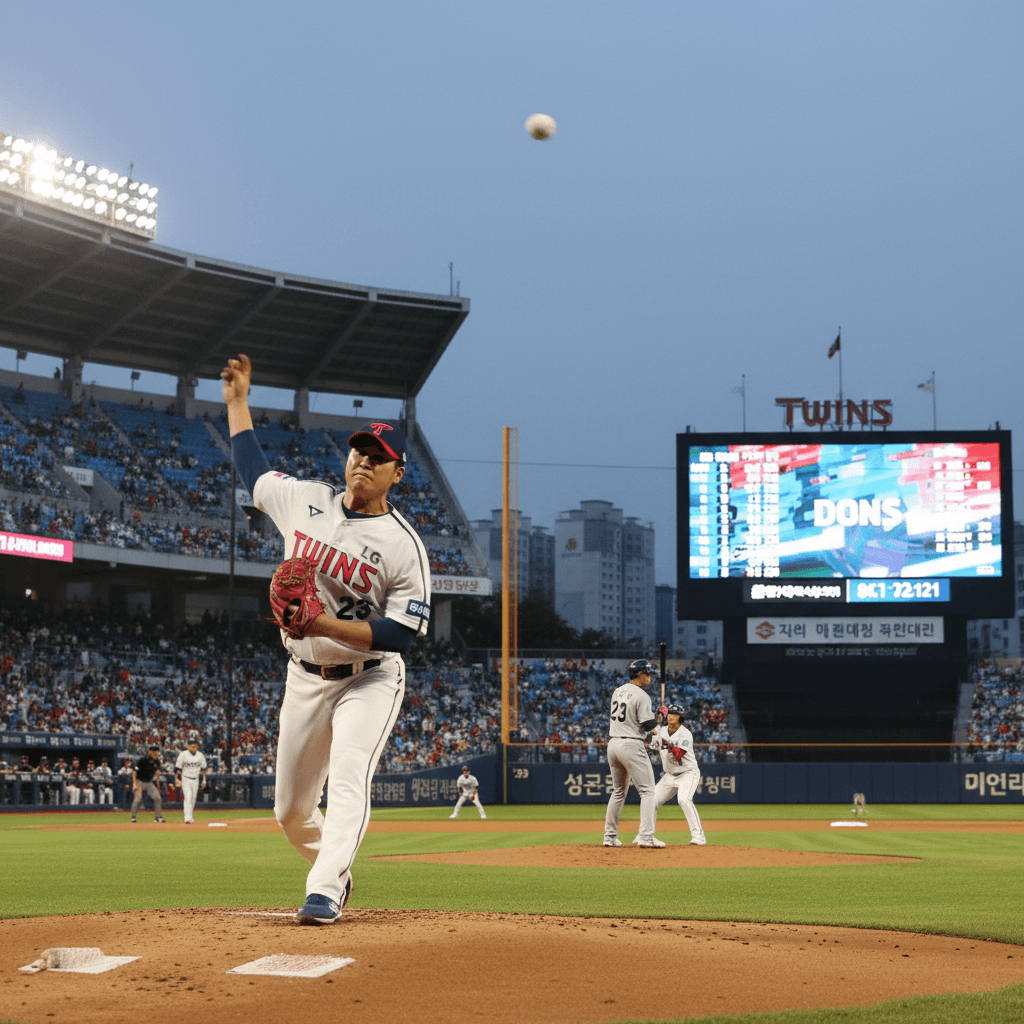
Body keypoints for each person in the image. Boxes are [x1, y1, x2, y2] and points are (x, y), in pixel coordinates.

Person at [221, 353, 431, 925]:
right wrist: (238, 403)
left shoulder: (403, 545)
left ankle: (325, 888)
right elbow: (254, 472)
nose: (364, 461)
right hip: (304, 675)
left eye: (379, 457)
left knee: (349, 772)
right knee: (290, 812)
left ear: (398, 473)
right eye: (359, 451)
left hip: (370, 677)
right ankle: (334, 866)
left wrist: (324, 625)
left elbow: (401, 634)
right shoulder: (306, 499)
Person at [603, 659, 664, 848]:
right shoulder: (642, 695)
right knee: (648, 791)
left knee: (618, 792)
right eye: (648, 673)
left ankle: (609, 837)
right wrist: (659, 723)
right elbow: (647, 725)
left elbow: (636, 718)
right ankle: (646, 837)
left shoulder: (618, 691)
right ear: (640, 674)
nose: (650, 677)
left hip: (613, 744)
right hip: (630, 744)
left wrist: (656, 718)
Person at [643, 703, 706, 846]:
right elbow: (654, 747)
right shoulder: (662, 731)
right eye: (670, 713)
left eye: (675, 714)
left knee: (684, 800)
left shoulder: (685, 734)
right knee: (651, 802)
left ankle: (698, 837)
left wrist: (663, 739)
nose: (671, 716)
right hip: (670, 775)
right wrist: (656, 728)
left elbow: (678, 754)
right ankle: (647, 836)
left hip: (687, 773)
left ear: (680, 718)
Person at [175, 740, 208, 823]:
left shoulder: (200, 755)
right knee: (188, 797)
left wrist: (204, 780)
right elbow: (178, 769)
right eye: (192, 746)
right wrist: (176, 779)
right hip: (186, 778)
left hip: (196, 779)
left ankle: (190, 816)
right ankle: (187, 817)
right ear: (188, 746)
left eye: (196, 746)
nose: (194, 748)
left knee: (193, 799)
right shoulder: (183, 755)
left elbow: (204, 769)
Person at [130, 745, 165, 823]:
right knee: (138, 798)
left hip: (149, 782)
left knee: (157, 797)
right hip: (139, 781)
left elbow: (157, 775)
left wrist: (158, 788)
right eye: (154, 753)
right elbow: (134, 772)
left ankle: (158, 817)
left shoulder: (157, 762)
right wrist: (134, 784)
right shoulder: (143, 760)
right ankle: (133, 817)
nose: (156, 754)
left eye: (157, 753)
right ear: (149, 752)